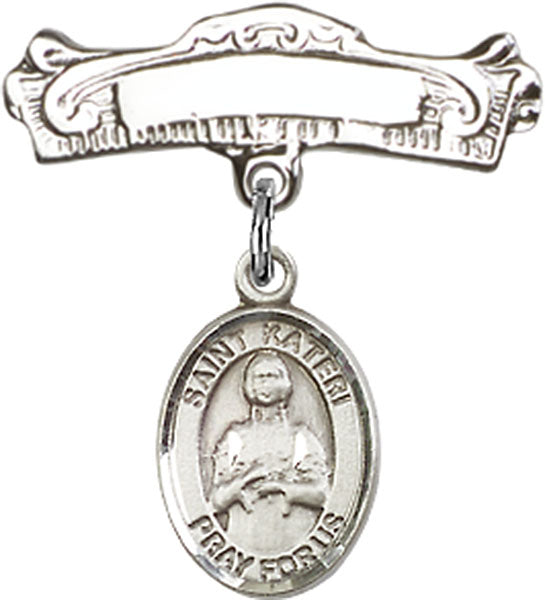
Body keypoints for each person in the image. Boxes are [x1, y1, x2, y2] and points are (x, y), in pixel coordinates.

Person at [210, 350, 330, 553]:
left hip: (294, 538)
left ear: (284, 383)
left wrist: (283, 487)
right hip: (244, 539)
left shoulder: (300, 437)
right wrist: (245, 479)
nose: (264, 383)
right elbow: (216, 500)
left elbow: (321, 493)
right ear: (249, 384)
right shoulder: (234, 437)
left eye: (271, 376)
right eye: (259, 377)